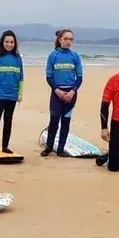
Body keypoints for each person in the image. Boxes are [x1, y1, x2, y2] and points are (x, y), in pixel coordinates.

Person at [42, 29, 84, 157]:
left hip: (71, 95)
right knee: (54, 120)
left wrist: (72, 91)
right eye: (66, 39)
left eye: (71, 39)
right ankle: (49, 147)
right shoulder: (53, 56)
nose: (68, 42)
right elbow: (49, 77)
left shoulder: (75, 56)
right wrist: (57, 91)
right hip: (56, 94)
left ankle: (60, 149)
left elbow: (79, 77)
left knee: (66, 121)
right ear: (60, 40)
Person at [0, 30, 24, 156]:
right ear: (2, 42)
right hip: (0, 95)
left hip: (12, 95)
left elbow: (21, 77)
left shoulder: (18, 58)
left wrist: (20, 93)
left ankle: (5, 147)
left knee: (8, 121)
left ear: (15, 43)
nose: (9, 44)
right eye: (7, 42)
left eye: (11, 42)